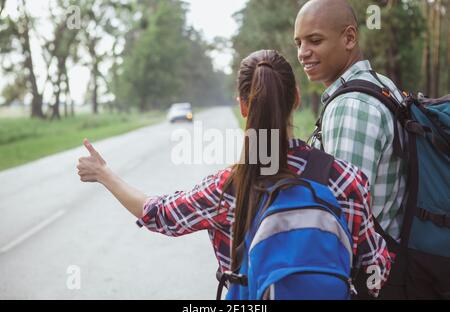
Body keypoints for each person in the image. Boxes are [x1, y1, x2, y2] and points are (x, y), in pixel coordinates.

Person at [77, 49, 392, 298]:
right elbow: (374, 272)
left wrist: (104, 174)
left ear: (243, 107)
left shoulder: (227, 188)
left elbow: (158, 213)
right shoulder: (344, 178)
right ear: (295, 98)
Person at [294, 0, 407, 298]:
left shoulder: (351, 106)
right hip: (390, 266)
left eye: (315, 40)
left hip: (369, 281)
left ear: (349, 38)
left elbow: (344, 218)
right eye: (299, 42)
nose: (302, 52)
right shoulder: (380, 85)